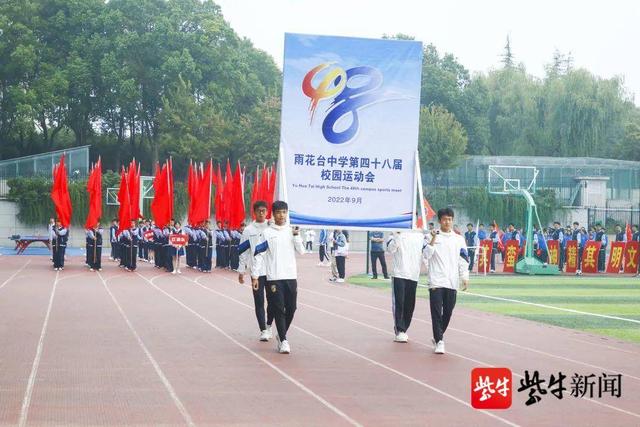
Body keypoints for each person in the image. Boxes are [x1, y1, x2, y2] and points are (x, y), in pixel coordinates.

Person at [252, 201, 305, 354]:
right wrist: (255, 275)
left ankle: (281, 334)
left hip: (290, 276)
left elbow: (301, 251)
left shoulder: (291, 231)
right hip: (274, 278)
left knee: (292, 308)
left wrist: (296, 236)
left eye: (284, 212)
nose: (281, 215)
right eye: (278, 212)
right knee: (278, 309)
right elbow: (259, 255)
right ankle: (284, 340)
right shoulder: (267, 233)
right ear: (273, 215)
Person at [423, 208, 469, 354]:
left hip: (451, 281)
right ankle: (440, 341)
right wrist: (432, 239)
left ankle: (438, 336)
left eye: (449, 219)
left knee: (448, 311)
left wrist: (464, 276)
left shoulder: (459, 239)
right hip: (436, 280)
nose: (447, 222)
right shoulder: (431, 236)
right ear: (439, 221)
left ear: (452, 220)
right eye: (444, 219)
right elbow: (425, 255)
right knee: (436, 312)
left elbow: (463, 259)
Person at [239, 201, 274, 341]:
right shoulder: (248, 230)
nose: (261, 213)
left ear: (267, 212)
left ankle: (269, 324)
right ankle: (263, 330)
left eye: (264, 210)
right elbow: (243, 251)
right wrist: (241, 271)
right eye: (259, 210)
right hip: (256, 273)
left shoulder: (272, 227)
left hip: (272, 271)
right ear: (254, 212)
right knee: (259, 301)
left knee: (273, 302)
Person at [385, 229, 425, 343]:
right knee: (399, 302)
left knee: (410, 304)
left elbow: (427, 253)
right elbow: (390, 249)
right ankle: (399, 329)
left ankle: (404, 328)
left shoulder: (420, 235)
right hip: (399, 273)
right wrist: (397, 235)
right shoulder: (395, 232)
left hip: (413, 274)